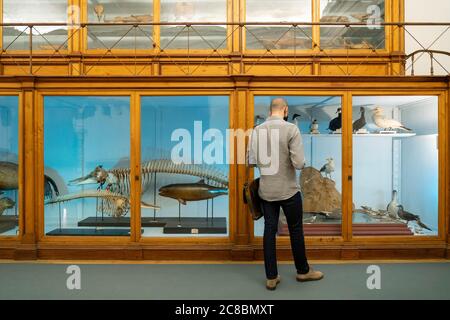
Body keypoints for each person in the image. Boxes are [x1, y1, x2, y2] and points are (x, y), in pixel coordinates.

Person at [248, 97, 324, 291]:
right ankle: (303, 271)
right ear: (285, 110)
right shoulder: (291, 129)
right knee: (296, 230)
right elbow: (299, 163)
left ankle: (271, 277)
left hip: (266, 191)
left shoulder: (257, 130)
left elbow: (251, 161)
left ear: (270, 110)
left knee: (269, 231)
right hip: (289, 190)